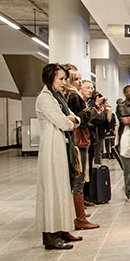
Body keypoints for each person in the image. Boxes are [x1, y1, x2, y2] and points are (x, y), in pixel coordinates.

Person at [35, 63, 81, 250]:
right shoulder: (45, 99)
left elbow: (75, 119)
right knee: (53, 190)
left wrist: (72, 120)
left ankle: (63, 228)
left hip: (63, 147)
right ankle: (51, 235)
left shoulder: (58, 98)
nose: (64, 82)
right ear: (50, 78)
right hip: (52, 148)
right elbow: (65, 122)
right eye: (61, 79)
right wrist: (71, 120)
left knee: (64, 188)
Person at [63, 65, 100, 229]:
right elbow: (83, 119)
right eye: (76, 79)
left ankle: (77, 214)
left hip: (75, 141)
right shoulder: (74, 97)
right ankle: (80, 217)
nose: (79, 82)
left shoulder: (67, 96)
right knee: (78, 179)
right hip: (79, 142)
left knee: (76, 179)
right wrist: (96, 107)